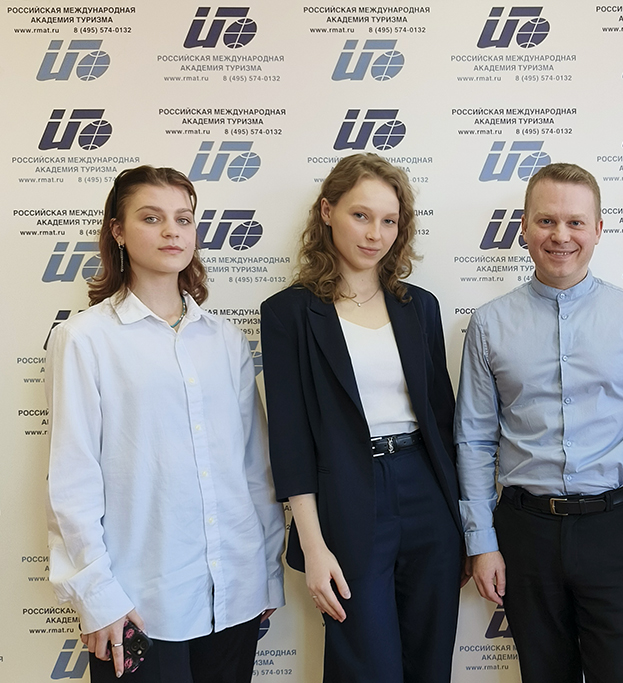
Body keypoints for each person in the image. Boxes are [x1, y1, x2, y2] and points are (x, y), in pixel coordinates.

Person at [46, 166, 285, 682]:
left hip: (234, 593)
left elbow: (253, 468)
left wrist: (266, 571)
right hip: (137, 604)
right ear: (117, 231)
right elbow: (72, 479)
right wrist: (97, 596)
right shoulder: (84, 339)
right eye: (151, 218)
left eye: (183, 219)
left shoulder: (225, 340)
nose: (172, 231)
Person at [457, 162, 623, 683]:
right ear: (524, 227)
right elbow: (474, 440)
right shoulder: (489, 323)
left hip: (617, 532)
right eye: (546, 221)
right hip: (525, 535)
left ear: (598, 229)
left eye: (576, 222)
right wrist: (481, 540)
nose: (561, 236)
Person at [260, 153, 463, 683]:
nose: (376, 234)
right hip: (348, 497)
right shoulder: (287, 313)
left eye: (389, 220)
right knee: (365, 666)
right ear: (327, 211)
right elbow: (290, 440)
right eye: (360, 215)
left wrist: (464, 523)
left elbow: (443, 421)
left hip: (427, 492)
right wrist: (313, 545)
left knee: (430, 661)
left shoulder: (419, 306)